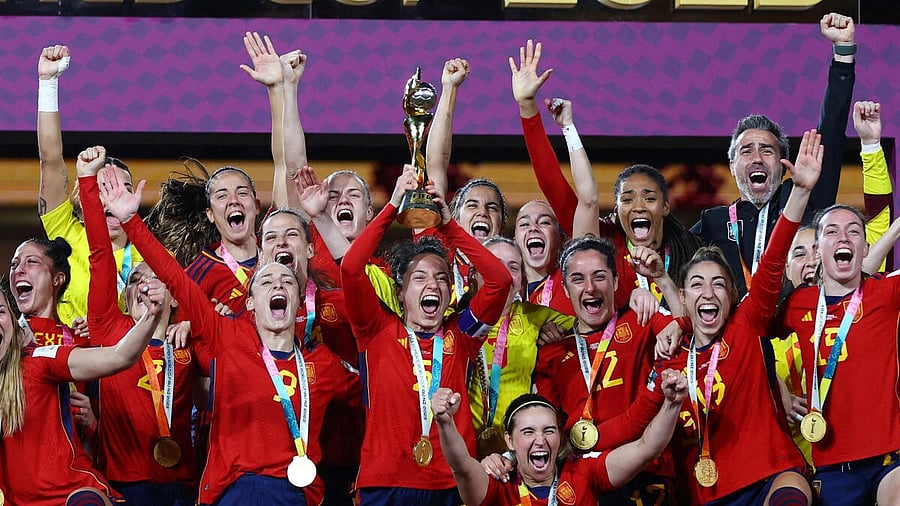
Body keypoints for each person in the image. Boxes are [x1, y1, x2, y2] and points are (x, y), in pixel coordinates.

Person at [99, 164, 362, 505]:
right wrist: (131, 222)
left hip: (302, 494)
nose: (278, 284)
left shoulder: (323, 363)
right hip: (238, 490)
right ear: (251, 301)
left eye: (286, 282)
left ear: (298, 300)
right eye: (266, 281)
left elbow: (381, 393)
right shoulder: (228, 338)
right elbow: (174, 277)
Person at [643, 129, 823, 504]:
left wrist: (801, 192)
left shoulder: (745, 324)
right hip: (704, 492)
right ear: (683, 296)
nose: (708, 293)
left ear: (732, 296)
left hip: (770, 476)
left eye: (719, 285)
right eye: (697, 285)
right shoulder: (667, 351)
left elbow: (773, 264)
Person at [341, 165, 512, 504]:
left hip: (450, 483)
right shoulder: (375, 330)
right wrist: (392, 206)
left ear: (450, 293)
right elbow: (350, 267)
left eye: (442, 279)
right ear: (401, 292)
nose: (432, 284)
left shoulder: (462, 334)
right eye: (419, 278)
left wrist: (450, 226)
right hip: (384, 482)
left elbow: (499, 280)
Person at [511, 41, 702, 314]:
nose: (637, 206)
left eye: (649, 198)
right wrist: (528, 108)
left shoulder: (690, 254)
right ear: (616, 209)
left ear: (666, 206)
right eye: (627, 199)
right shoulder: (602, 243)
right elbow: (552, 183)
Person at [691, 13, 856, 296]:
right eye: (747, 151)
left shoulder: (805, 198)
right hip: (737, 338)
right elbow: (671, 254)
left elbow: (831, 133)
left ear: (783, 163)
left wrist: (842, 56)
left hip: (796, 333)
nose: (757, 158)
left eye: (767, 150)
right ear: (732, 166)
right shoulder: (713, 222)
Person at [78, 146, 198, 505]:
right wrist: (88, 182)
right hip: (125, 487)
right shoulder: (109, 332)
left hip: (188, 484)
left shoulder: (193, 341)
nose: (142, 284)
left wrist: (194, 324)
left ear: (176, 295)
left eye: (153, 276)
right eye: (132, 280)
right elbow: (100, 255)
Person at [534, 235, 681, 504]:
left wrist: (661, 282)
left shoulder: (642, 320)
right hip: (583, 479)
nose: (589, 288)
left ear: (614, 282)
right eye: (578, 279)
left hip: (646, 471)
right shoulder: (553, 351)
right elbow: (550, 421)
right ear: (566, 290)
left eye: (599, 276)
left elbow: (686, 334)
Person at [0, 267, 166, 505]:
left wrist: (152, 314)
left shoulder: (38, 360)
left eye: (1, 312)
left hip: (75, 497)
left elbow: (119, 357)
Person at [775, 201, 900, 504]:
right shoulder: (797, 304)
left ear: (866, 248)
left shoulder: (887, 292)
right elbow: (743, 334)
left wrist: (896, 228)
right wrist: (780, 390)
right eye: (832, 231)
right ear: (818, 250)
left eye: (853, 231)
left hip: (890, 458)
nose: (843, 238)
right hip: (832, 466)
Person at [432, 374, 687, 506]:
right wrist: (445, 422)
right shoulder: (498, 486)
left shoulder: (584, 473)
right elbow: (461, 465)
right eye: (528, 432)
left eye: (549, 430)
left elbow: (646, 448)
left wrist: (672, 404)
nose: (540, 440)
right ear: (509, 440)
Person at [36, 44, 143, 329]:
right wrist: (48, 83)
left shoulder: (155, 254)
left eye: (124, 188)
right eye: (103, 189)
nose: (115, 196)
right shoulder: (65, 235)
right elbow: (50, 159)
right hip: (73, 367)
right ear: (79, 199)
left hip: (138, 371)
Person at [466, 236, 573, 458]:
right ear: (473, 275)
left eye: (513, 267)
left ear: (522, 281)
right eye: (493, 264)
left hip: (517, 454)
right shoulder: (453, 320)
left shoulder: (537, 317)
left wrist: (635, 298)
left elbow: (598, 325)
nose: (503, 275)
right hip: (463, 454)